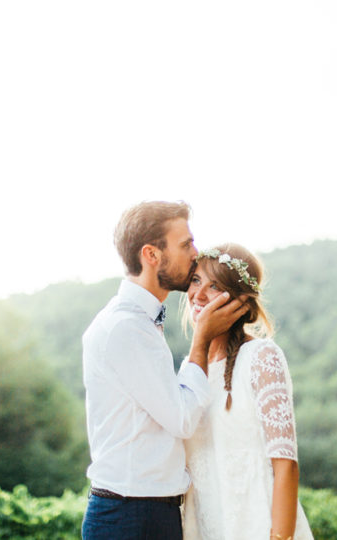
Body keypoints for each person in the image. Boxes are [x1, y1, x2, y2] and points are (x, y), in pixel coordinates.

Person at [81, 201, 250, 540]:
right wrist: (201, 338)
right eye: (186, 244)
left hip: (149, 514)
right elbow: (183, 419)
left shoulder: (140, 322)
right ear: (151, 254)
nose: (195, 252)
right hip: (130, 518)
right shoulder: (125, 328)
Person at [181, 243, 314, 540]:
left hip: (259, 526)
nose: (199, 295)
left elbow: (286, 465)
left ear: (240, 301)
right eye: (196, 280)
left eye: (214, 286)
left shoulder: (261, 357)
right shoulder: (187, 372)